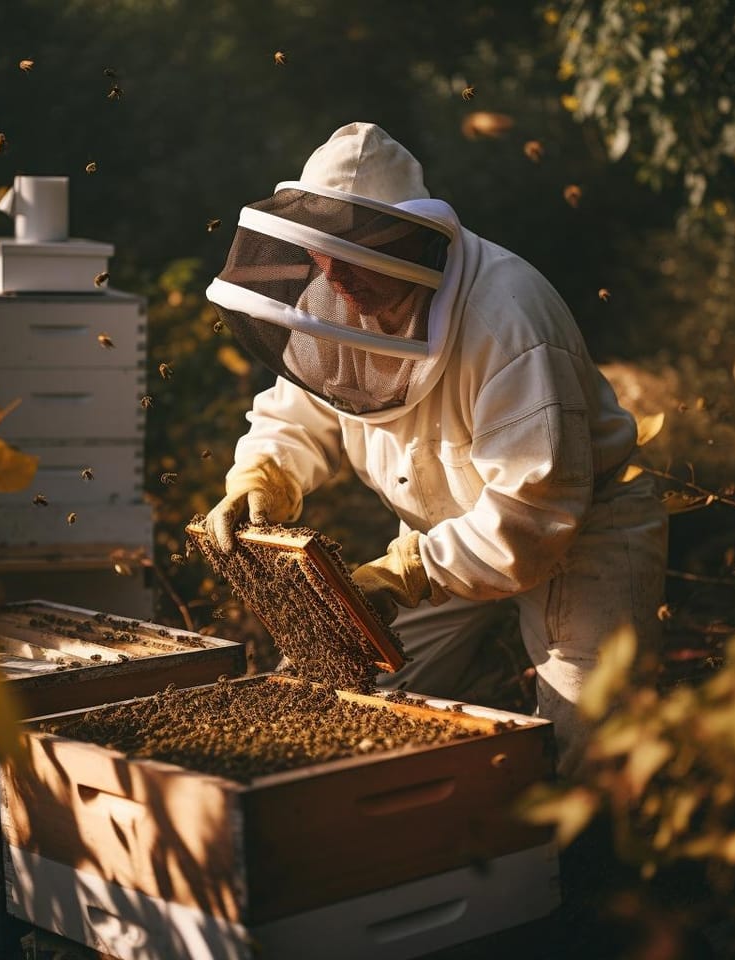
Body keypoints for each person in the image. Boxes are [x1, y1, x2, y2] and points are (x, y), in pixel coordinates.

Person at [203, 121, 668, 775]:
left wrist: (405, 573)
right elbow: (301, 408)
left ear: (405, 240)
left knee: (592, 739)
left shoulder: (508, 318)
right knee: (344, 697)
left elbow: (535, 511)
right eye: (322, 252)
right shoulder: (337, 295)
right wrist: (263, 471)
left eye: (354, 253)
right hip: (438, 536)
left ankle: (595, 871)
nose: (334, 275)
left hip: (583, 526)